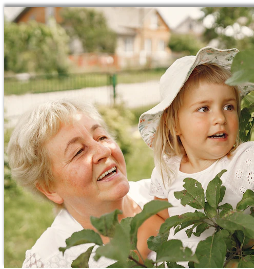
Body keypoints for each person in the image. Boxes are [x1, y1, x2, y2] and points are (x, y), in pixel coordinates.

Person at [137, 47, 254, 254]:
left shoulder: (241, 162)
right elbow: (159, 216)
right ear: (174, 124)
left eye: (229, 106)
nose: (220, 118)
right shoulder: (167, 168)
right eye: (204, 108)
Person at [7, 99, 164, 268]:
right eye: (78, 152)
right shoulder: (50, 260)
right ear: (48, 188)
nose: (103, 150)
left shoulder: (168, 195)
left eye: (101, 137)